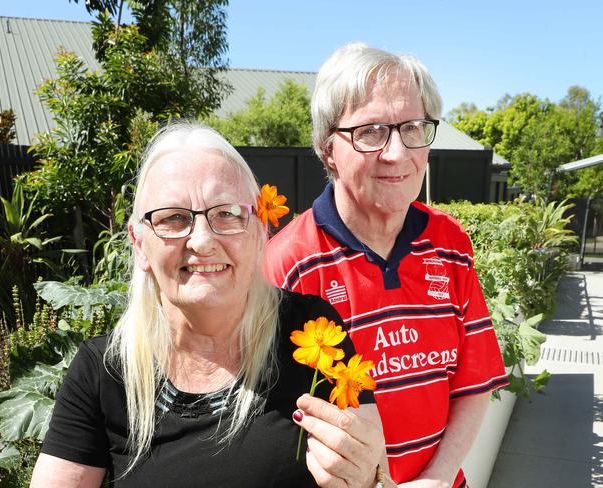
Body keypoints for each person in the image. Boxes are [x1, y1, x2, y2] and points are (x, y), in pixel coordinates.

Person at [30, 122, 389, 488]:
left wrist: (369, 481)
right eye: (173, 218)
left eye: (227, 213)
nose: (202, 241)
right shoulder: (104, 371)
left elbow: (380, 475)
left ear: (259, 230)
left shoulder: (314, 332)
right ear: (139, 245)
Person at [264, 43, 509, 488]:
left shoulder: (450, 244)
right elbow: (274, 435)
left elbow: (473, 385)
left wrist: (436, 479)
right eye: (372, 131)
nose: (397, 153)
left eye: (413, 127)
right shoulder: (288, 265)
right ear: (327, 149)